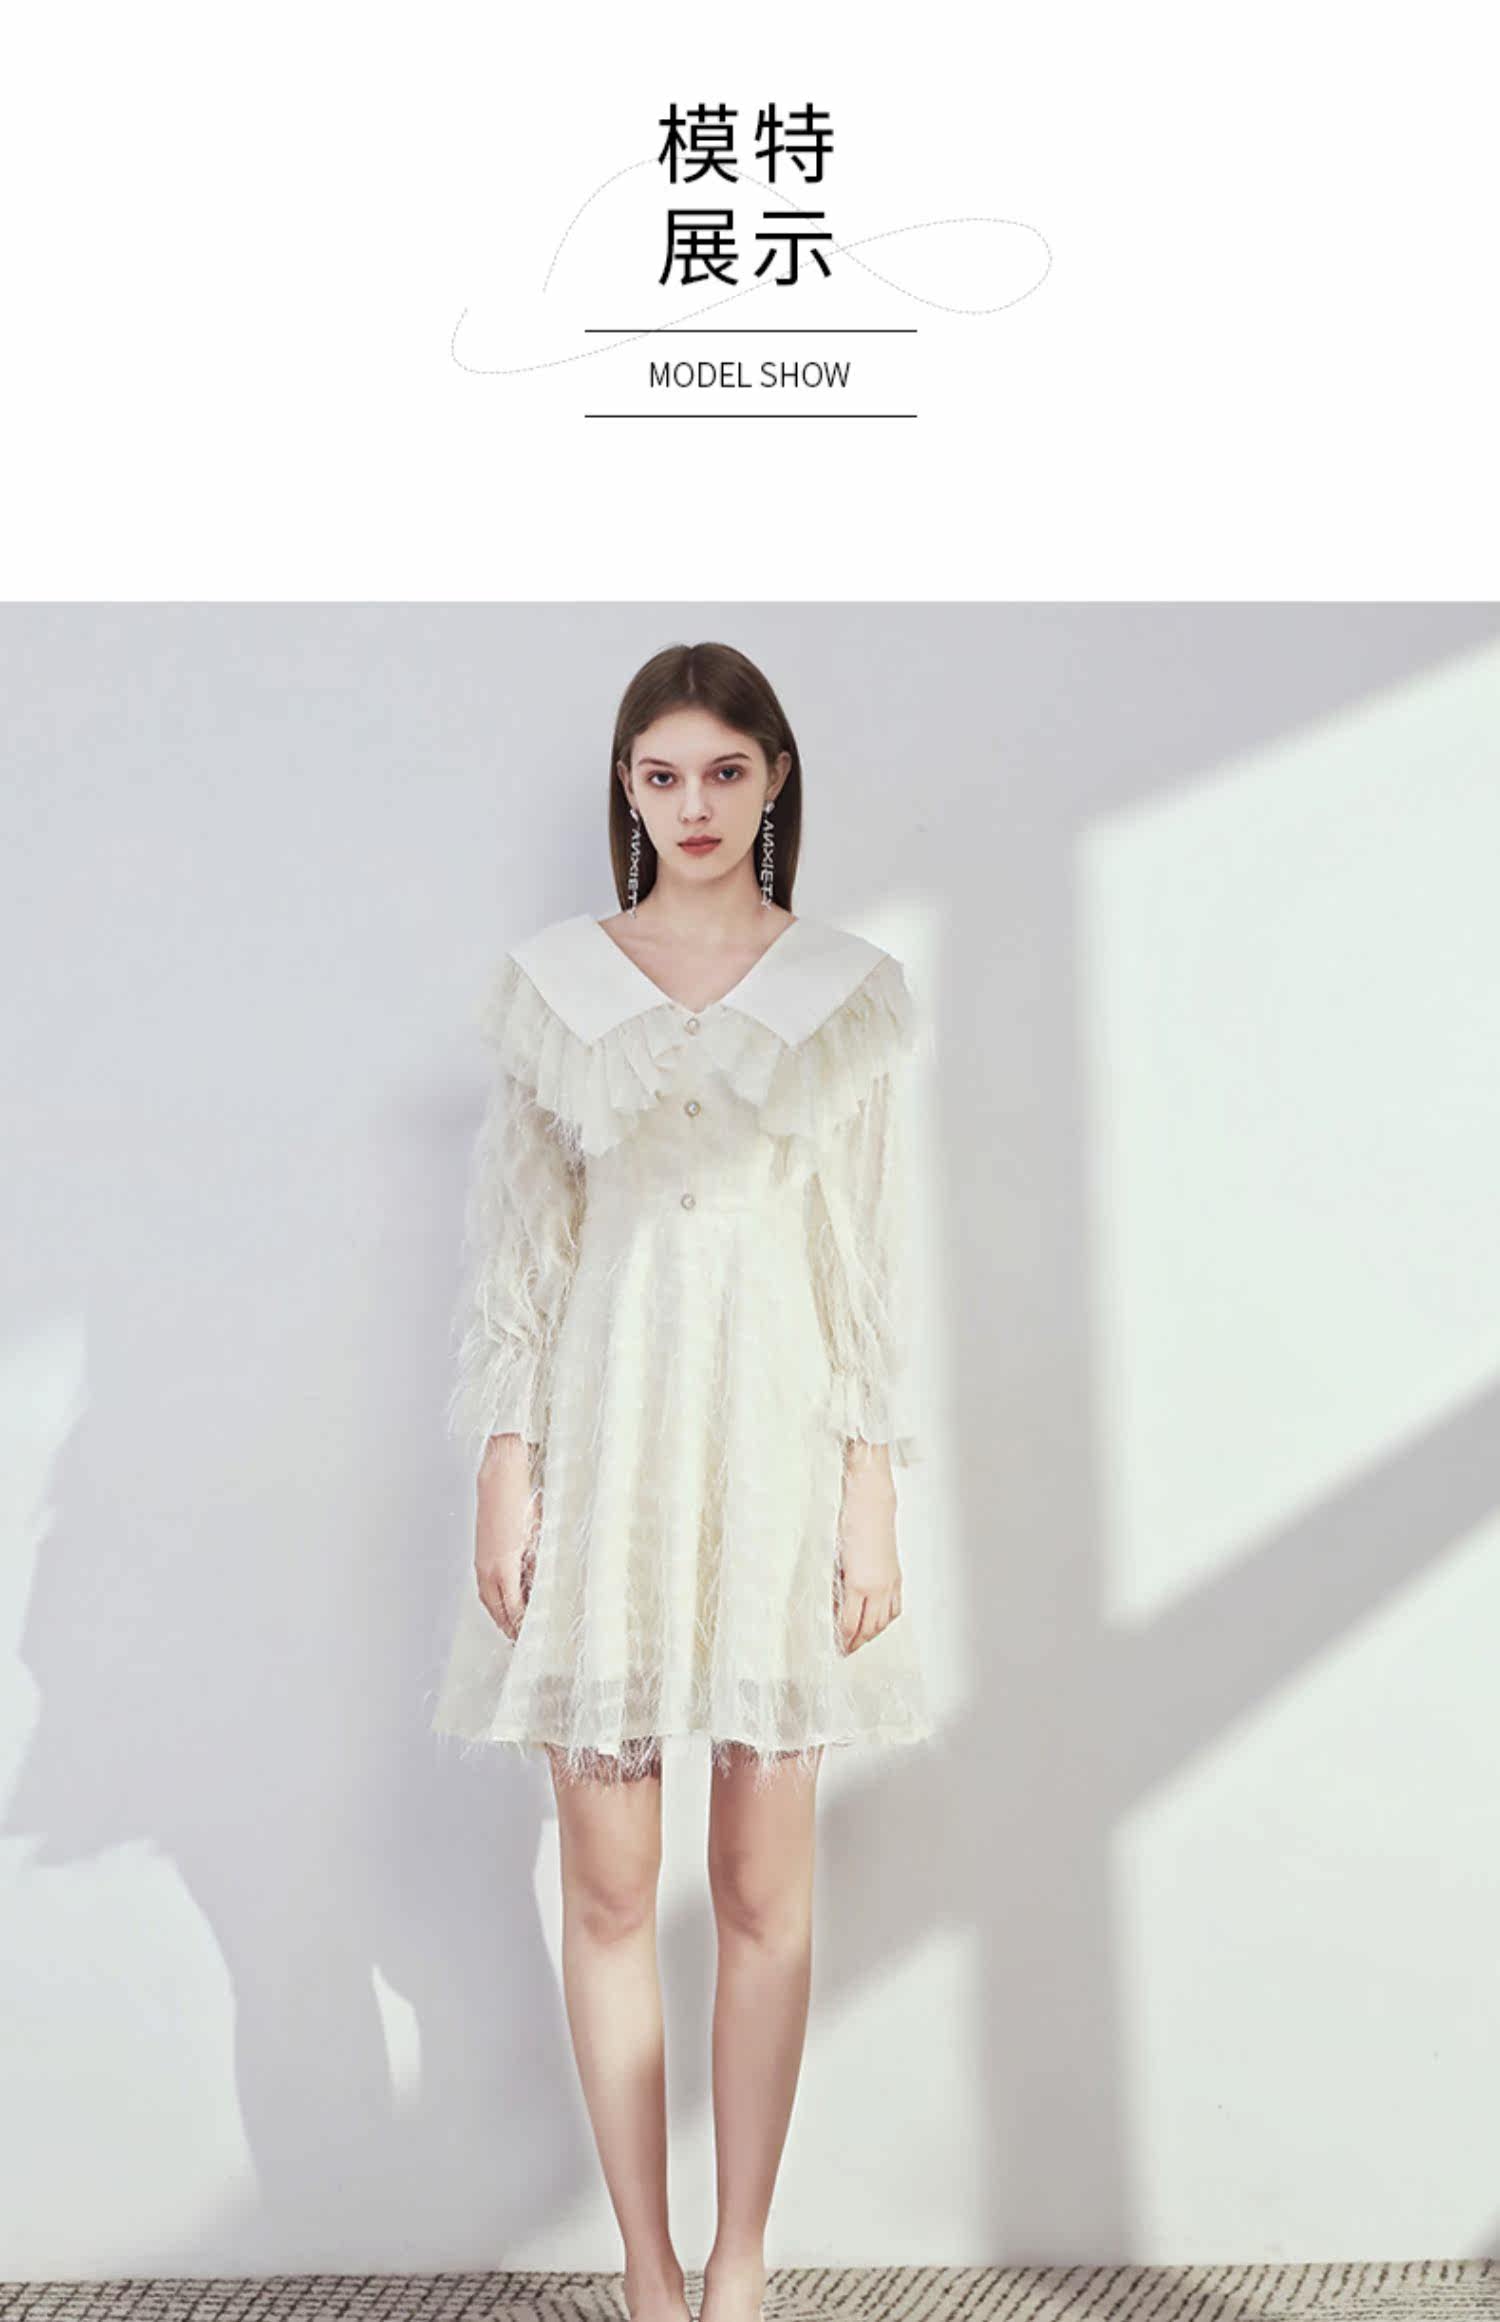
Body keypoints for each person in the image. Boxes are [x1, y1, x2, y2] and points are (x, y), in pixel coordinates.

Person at [431, 640, 934, 2322]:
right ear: (627, 788)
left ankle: (739, 2265)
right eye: (662, 775)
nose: (694, 805)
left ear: (774, 777)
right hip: (609, 1430)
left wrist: (871, 1489)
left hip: (777, 1438)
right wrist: (507, 1457)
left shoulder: (842, 989)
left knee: (764, 1886)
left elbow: (863, 1259)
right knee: (604, 1880)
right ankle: (647, 2267)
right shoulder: (560, 987)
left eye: (725, 770)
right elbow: (522, 1240)